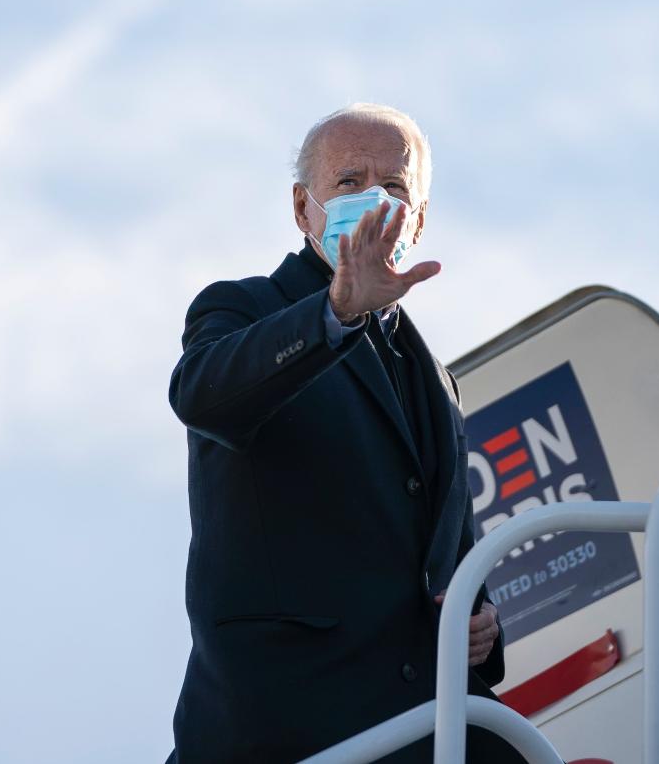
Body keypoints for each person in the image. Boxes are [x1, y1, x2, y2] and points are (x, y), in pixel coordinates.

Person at [165, 104, 523, 763]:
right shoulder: (245, 308)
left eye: (394, 189)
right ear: (304, 209)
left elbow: (450, 553)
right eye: (351, 183)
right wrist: (334, 312)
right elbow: (202, 393)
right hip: (290, 724)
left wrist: (482, 627)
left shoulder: (438, 381)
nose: (374, 202)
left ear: (418, 220)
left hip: (424, 727)